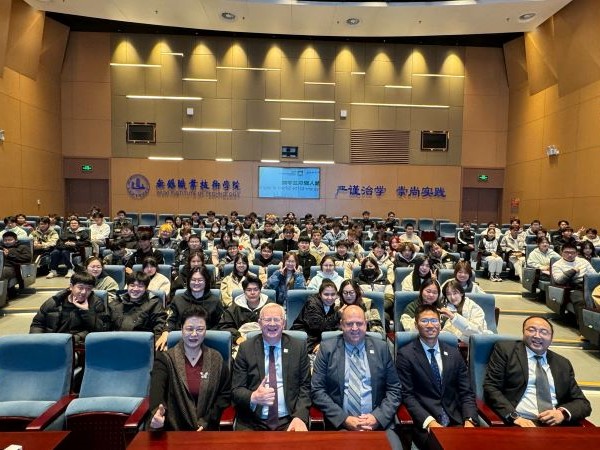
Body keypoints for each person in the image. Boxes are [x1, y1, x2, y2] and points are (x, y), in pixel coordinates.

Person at [484, 315, 592, 426]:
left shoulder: (562, 363)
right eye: (531, 330)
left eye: (544, 332)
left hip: (554, 425)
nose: (537, 335)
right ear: (523, 333)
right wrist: (514, 417)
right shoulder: (506, 351)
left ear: (551, 338)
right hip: (520, 422)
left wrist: (562, 413)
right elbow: (491, 387)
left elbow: (583, 403)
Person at [396, 304, 477, 450]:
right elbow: (407, 395)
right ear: (416, 325)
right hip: (426, 424)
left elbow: (466, 392)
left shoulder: (454, 353)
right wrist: (430, 422)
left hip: (456, 420)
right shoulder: (406, 355)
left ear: (440, 324)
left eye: (434, 320)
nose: (430, 325)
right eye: (424, 321)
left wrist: (469, 420)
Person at [311, 305, 402, 432]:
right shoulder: (327, 348)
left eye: (359, 323)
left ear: (366, 324)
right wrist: (344, 419)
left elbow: (394, 389)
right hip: (341, 426)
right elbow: (317, 390)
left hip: (377, 426)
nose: (354, 328)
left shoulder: (381, 348)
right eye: (349, 324)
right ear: (341, 325)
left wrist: (378, 417)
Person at [148, 306, 231, 431]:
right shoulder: (165, 359)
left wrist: (206, 421)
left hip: (207, 429)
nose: (194, 334)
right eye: (189, 329)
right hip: (173, 430)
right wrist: (157, 414)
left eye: (200, 329)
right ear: (181, 329)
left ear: (206, 330)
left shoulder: (216, 359)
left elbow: (224, 395)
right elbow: (157, 393)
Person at [231, 303, 311, 431]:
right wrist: (253, 396)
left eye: (277, 319)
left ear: (284, 323)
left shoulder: (298, 347)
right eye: (267, 319)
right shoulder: (246, 348)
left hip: (289, 419)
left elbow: (305, 387)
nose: (272, 324)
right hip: (252, 421)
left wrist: (299, 416)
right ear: (259, 323)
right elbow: (236, 390)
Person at [30, 272, 108, 343]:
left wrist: (86, 311)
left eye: (88, 289)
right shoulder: (55, 301)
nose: (84, 292)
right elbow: (37, 324)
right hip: (52, 342)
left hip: (77, 344)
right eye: (80, 288)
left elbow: (101, 330)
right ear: (71, 287)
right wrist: (38, 341)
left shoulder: (96, 303)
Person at [108, 271, 168, 351]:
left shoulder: (154, 303)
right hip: (116, 344)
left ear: (146, 288)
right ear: (127, 287)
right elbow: (106, 324)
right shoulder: (117, 302)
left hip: (142, 346)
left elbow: (159, 327)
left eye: (140, 286)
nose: (135, 289)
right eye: (132, 285)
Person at [166, 266, 223, 336]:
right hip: (181, 337)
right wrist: (167, 332)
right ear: (188, 281)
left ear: (206, 282)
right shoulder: (178, 299)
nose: (196, 283)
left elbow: (220, 324)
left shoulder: (215, 301)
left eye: (200, 280)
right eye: (193, 280)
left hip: (208, 337)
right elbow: (170, 321)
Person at [217, 277, 272, 347]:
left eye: (256, 289)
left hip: (266, 341)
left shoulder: (270, 306)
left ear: (260, 290)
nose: (252, 293)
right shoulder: (235, 307)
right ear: (244, 291)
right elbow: (224, 326)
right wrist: (237, 337)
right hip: (240, 343)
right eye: (249, 290)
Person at [551, 242, 597, 326]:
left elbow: (593, 275)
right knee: (581, 301)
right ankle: (585, 326)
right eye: (566, 252)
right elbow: (559, 280)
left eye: (572, 253)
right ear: (561, 253)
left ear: (576, 253)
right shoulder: (557, 265)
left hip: (588, 285)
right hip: (573, 288)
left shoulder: (583, 261)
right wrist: (573, 271)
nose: (570, 255)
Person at [291, 279, 340, 355]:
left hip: (316, 338)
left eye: (333, 294)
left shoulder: (331, 305)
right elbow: (319, 326)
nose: (330, 298)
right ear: (320, 294)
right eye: (326, 294)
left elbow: (330, 326)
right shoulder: (312, 304)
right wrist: (338, 314)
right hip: (303, 338)